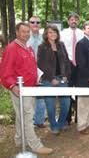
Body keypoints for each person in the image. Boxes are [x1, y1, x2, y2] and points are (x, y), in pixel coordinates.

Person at [0, 22, 53, 154]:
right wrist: (12, 86)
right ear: (17, 33)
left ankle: (19, 139)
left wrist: (38, 78)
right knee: (27, 116)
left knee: (21, 115)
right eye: (23, 31)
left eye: (28, 32)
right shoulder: (12, 48)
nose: (26, 34)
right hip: (20, 90)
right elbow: (5, 71)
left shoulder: (28, 48)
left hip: (31, 88)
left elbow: (31, 68)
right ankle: (35, 145)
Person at [37, 25, 71, 134]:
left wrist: (66, 75)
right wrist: (51, 78)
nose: (53, 34)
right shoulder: (42, 47)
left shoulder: (61, 45)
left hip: (62, 79)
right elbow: (41, 64)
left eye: (54, 32)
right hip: (48, 80)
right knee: (50, 105)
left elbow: (66, 61)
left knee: (66, 103)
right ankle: (53, 125)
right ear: (46, 34)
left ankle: (60, 124)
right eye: (50, 32)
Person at [60, 12, 84, 125]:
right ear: (68, 21)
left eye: (76, 19)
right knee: (67, 92)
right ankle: (67, 118)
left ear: (78, 21)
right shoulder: (63, 33)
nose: (73, 21)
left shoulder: (82, 33)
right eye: (71, 19)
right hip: (67, 65)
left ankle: (80, 118)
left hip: (79, 65)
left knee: (80, 92)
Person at [27, 16, 46, 128]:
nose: (35, 24)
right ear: (29, 23)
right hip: (28, 70)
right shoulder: (25, 37)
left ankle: (39, 120)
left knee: (41, 96)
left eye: (38, 22)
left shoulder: (43, 38)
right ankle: (29, 121)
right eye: (32, 22)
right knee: (29, 97)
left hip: (42, 70)